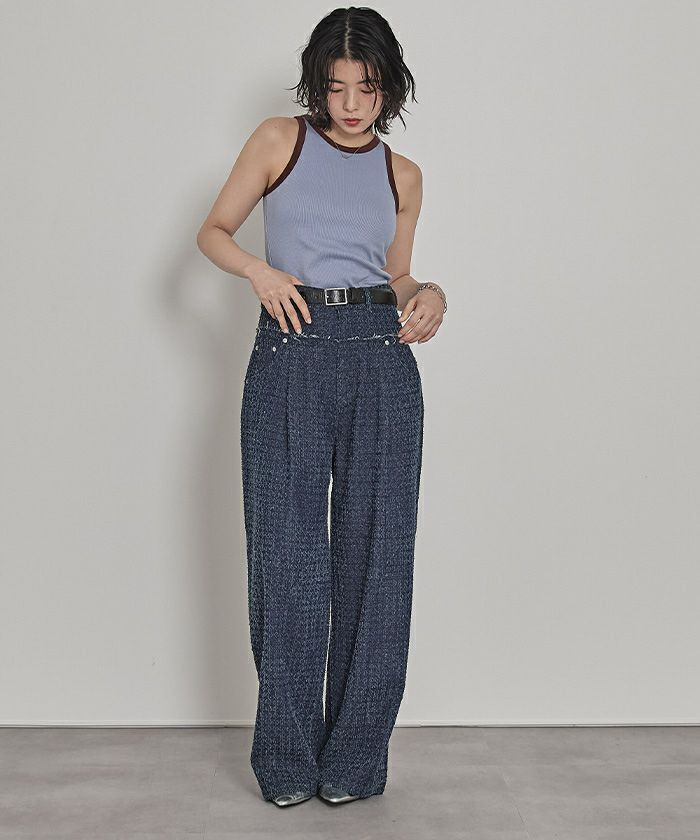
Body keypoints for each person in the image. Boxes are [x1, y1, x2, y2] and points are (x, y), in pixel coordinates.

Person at [196, 6, 446, 808]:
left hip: (381, 355)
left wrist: (430, 293)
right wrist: (258, 272)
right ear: (317, 86)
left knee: (380, 561)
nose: (351, 104)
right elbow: (214, 231)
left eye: (366, 88)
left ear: (388, 88)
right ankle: (288, 760)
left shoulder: (403, 175)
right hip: (292, 347)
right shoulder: (281, 141)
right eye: (336, 87)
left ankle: (355, 762)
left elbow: (396, 274)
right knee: (289, 559)